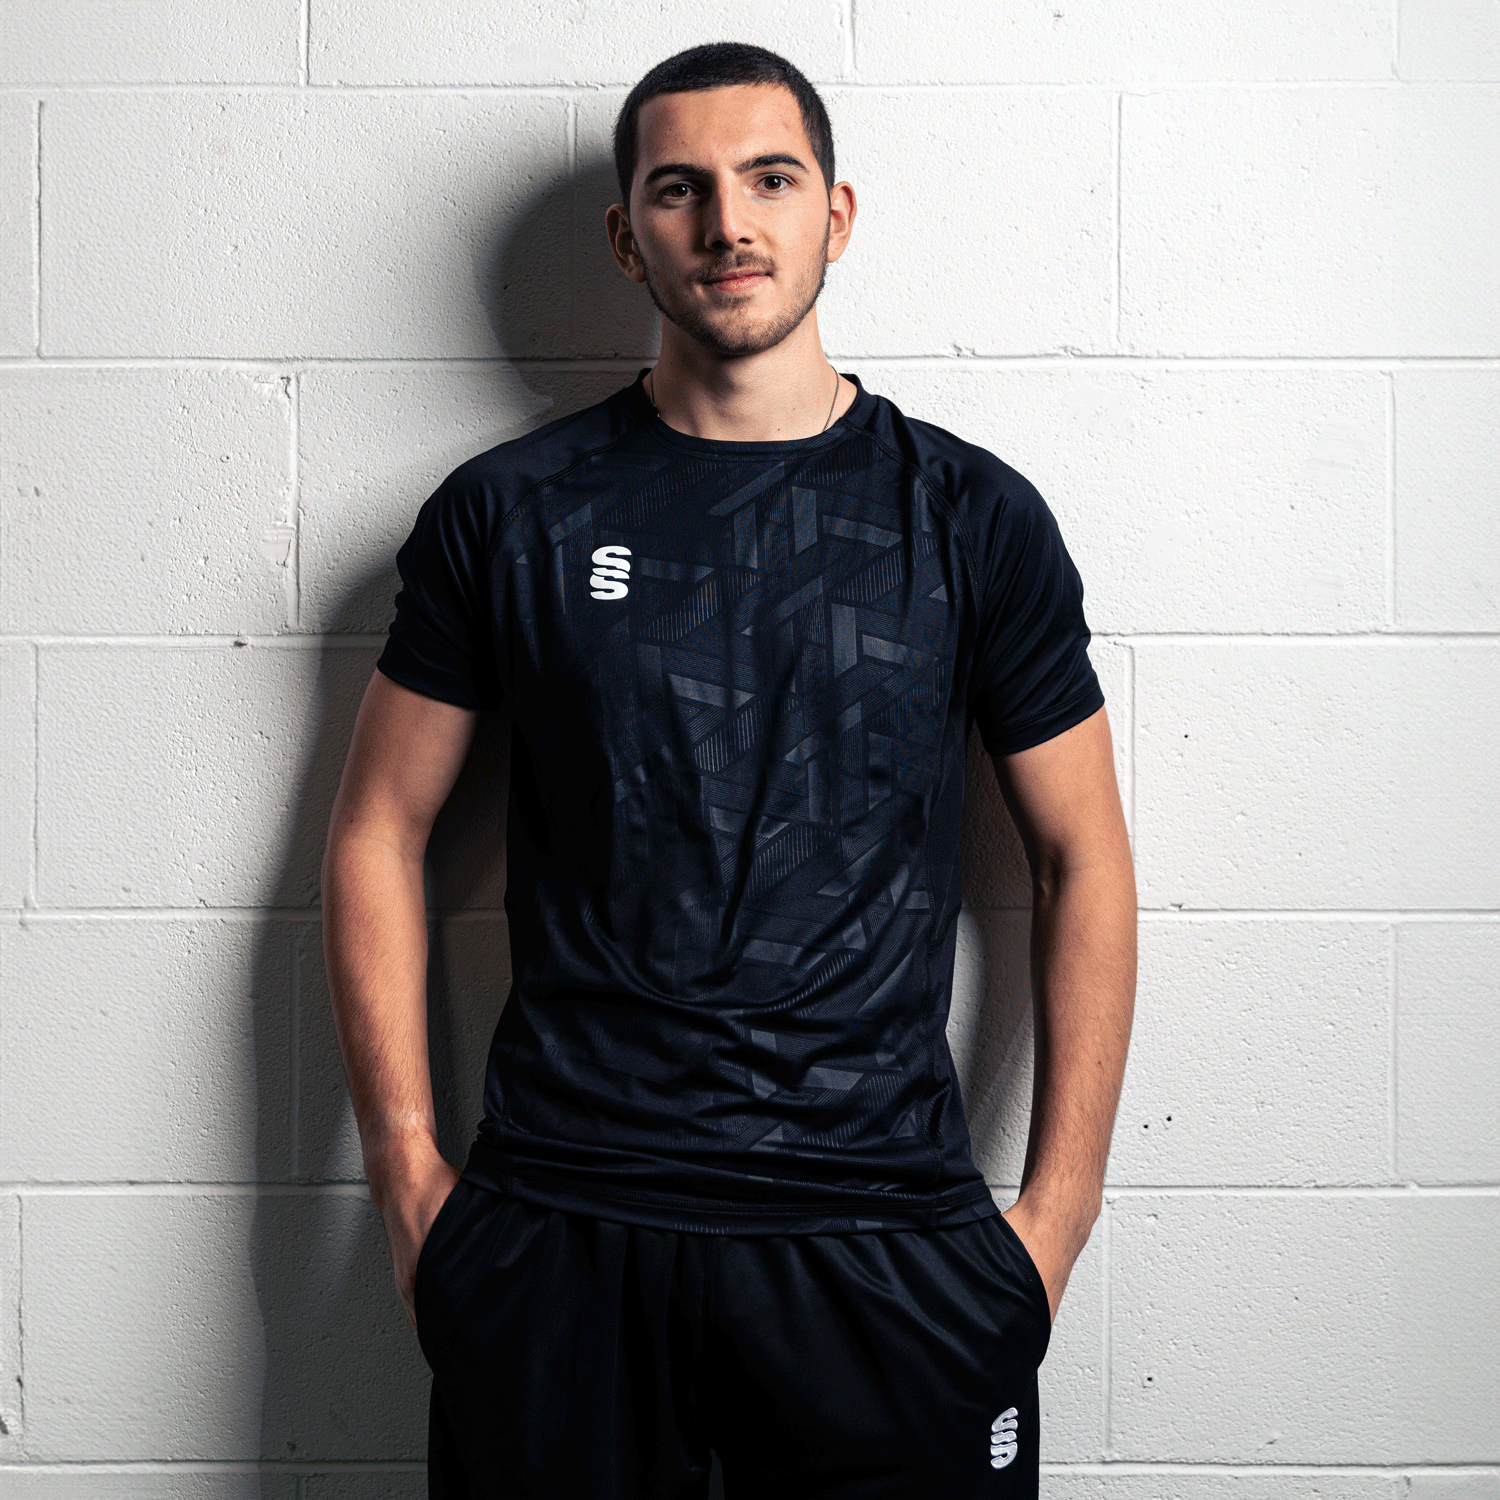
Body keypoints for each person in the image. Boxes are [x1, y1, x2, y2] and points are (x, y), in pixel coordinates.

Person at [322, 41, 1136, 1500]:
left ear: (837, 213)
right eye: (680, 189)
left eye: (771, 179)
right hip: (564, 1229)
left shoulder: (970, 517)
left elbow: (1084, 860)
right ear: (627, 237)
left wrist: (1055, 1220)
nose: (728, 224)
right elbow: (378, 829)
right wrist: (406, 1180)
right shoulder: (512, 513)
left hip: (885, 1243)